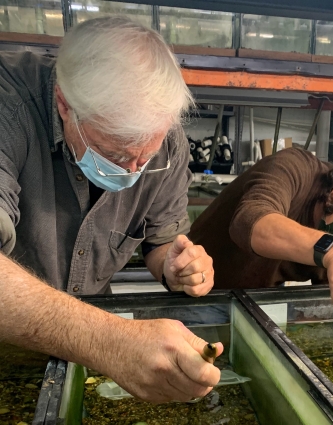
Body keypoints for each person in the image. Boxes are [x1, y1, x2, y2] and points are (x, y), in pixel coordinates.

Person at [0, 17, 220, 403]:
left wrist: (176, 264)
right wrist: (110, 341)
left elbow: (162, 239)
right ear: (65, 104)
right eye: (115, 153)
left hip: (89, 345)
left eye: (144, 157)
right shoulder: (9, 107)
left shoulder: (167, 144)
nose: (131, 171)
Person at [190, 148, 333, 328]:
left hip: (258, 300)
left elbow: (323, 307)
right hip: (200, 289)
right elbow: (248, 222)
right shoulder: (294, 168)